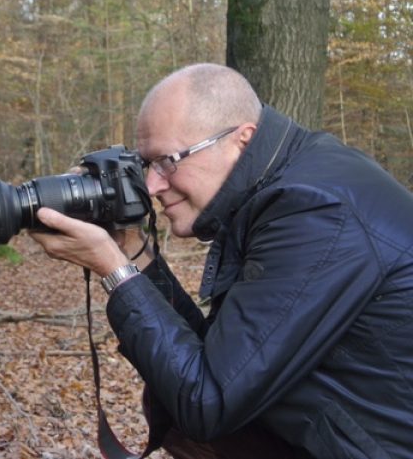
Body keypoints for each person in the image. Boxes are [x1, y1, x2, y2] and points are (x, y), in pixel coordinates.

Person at [29, 63, 413, 459]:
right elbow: (223, 366)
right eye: (146, 165)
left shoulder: (317, 213)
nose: (152, 185)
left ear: (241, 141)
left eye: (167, 161)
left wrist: (114, 270)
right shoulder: (288, 185)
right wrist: (130, 250)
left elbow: (206, 400)